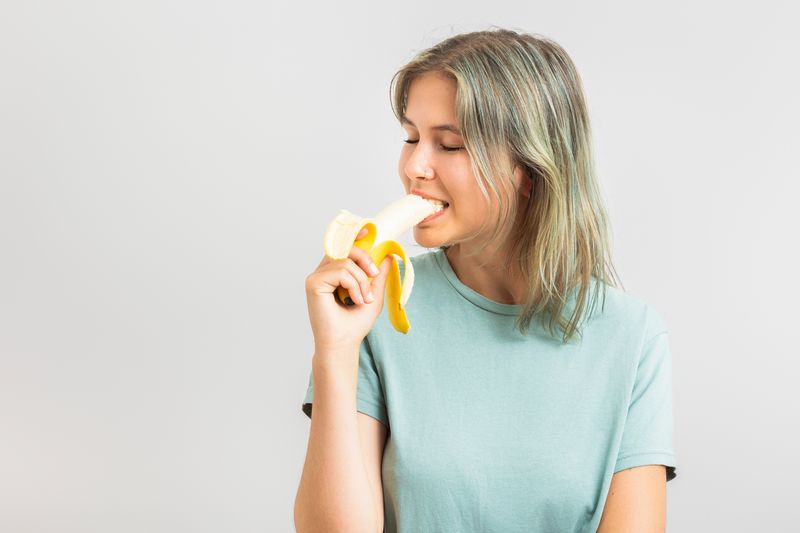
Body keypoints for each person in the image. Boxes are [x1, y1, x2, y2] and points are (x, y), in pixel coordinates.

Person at [294, 27, 677, 533]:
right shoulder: (376, 312)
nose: (414, 166)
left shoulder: (631, 337)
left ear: (530, 168)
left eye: (448, 144)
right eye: (411, 137)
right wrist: (335, 351)